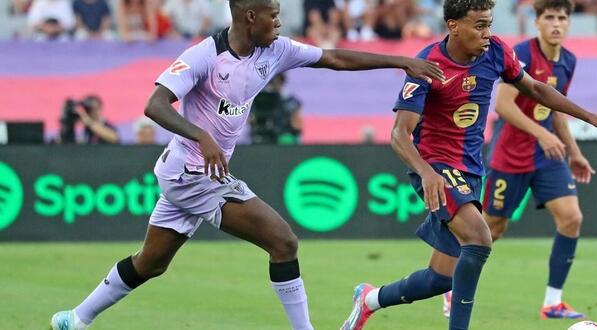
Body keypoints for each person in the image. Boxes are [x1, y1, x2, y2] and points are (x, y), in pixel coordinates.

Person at [49, 0, 445, 329]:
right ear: (248, 16)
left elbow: (335, 57)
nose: (279, 20)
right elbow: (154, 105)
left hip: (192, 174)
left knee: (150, 263)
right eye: (272, 13)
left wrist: (401, 61)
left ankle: (75, 318)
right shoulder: (204, 56)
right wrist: (201, 136)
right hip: (191, 173)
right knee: (283, 241)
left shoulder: (275, 50)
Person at [339, 0, 597, 329]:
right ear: (453, 26)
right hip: (436, 166)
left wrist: (589, 116)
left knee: (440, 278)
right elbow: (400, 134)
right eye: (479, 25)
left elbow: (534, 88)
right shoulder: (428, 64)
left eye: (489, 24)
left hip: (471, 171)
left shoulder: (496, 51)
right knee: (480, 237)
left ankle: (369, 299)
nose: (487, 33)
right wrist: (427, 173)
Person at [439, 0, 593, 320]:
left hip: (547, 156)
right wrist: (541, 133)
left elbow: (556, 110)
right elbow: (504, 106)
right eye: (549, 17)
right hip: (511, 156)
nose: (556, 24)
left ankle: (552, 302)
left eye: (562, 18)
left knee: (572, 218)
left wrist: (574, 152)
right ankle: (453, 287)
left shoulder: (569, 61)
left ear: (568, 24)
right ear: (536, 22)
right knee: (490, 230)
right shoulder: (521, 52)